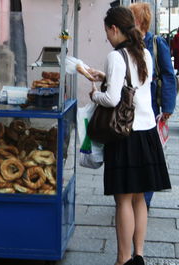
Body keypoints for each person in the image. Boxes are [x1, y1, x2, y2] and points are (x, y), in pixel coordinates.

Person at [88, 7, 171, 265]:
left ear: (114, 29)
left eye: (107, 33)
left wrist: (93, 94)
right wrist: (107, 78)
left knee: (122, 199)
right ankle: (138, 255)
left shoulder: (115, 57)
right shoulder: (144, 52)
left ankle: (122, 260)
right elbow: (136, 86)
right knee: (139, 199)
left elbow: (112, 99)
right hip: (147, 133)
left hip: (124, 134)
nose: (107, 38)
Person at [129, 3, 177, 210]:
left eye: (129, 17)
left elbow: (168, 75)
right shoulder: (126, 43)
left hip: (150, 110)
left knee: (147, 155)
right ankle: (131, 195)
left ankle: (144, 201)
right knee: (131, 154)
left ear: (138, 21)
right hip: (129, 110)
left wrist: (167, 106)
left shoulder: (156, 43)